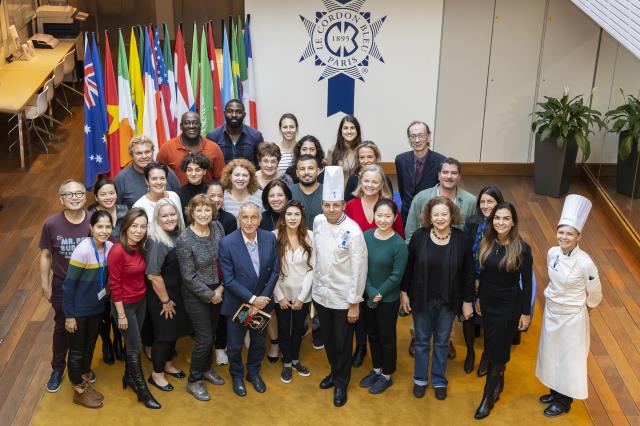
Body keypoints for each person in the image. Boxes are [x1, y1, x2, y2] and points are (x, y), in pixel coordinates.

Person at [400, 196, 474, 400]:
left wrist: (468, 301)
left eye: (444, 214)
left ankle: (439, 380)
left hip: (448, 301)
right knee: (422, 342)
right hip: (421, 298)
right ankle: (420, 380)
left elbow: (469, 273)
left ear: (452, 216)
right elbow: (410, 267)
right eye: (436, 214)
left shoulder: (461, 239)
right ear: (429, 217)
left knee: (442, 342)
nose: (440, 218)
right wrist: (404, 292)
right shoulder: (419, 236)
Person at [535, 195, 602, 418]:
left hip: (572, 317)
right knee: (551, 353)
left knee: (568, 359)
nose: (564, 237)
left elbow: (595, 294)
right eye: (561, 232)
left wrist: (586, 309)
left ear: (578, 236)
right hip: (552, 312)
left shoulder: (585, 263)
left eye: (569, 233)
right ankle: (554, 392)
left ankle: (564, 402)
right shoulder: (552, 253)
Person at [313, 166, 367, 407]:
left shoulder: (353, 231)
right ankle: (334, 373)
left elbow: (359, 269)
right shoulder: (318, 222)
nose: (331, 210)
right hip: (321, 294)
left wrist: (354, 303)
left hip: (344, 298)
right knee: (328, 339)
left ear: (344, 205)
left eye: (336, 205)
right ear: (322, 205)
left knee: (343, 342)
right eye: (327, 205)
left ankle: (342, 383)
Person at [473, 202, 532, 419]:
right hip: (487, 301)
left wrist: (526, 313)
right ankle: (500, 378)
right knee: (491, 343)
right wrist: (479, 299)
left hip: (509, 304)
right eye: (497, 218)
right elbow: (484, 275)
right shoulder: (487, 242)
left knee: (497, 348)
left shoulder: (522, 249)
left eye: (506, 218)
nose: (500, 222)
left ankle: (487, 397)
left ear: (513, 221)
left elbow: (527, 284)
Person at [219, 202, 280, 397]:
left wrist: (262, 299)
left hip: (261, 303)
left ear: (260, 219)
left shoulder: (269, 238)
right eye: (244, 217)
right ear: (238, 219)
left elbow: (275, 271)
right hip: (240, 305)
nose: (249, 221)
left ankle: (253, 373)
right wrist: (253, 300)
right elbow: (228, 280)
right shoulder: (228, 243)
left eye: (254, 217)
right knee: (235, 345)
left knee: (258, 343)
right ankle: (237, 375)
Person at [345, 164, 404, 367]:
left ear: (381, 185)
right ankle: (361, 347)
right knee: (360, 315)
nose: (370, 185)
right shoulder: (351, 205)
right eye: (366, 181)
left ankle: (383, 366)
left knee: (382, 327)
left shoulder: (388, 208)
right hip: (356, 271)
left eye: (375, 181)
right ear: (361, 182)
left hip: (383, 276)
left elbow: (400, 241)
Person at [40, 179, 92, 393]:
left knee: (88, 327)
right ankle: (58, 369)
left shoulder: (93, 220)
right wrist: (45, 284)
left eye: (79, 193)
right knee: (62, 327)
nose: (75, 197)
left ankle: (81, 367)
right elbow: (45, 255)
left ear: (85, 196)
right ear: (61, 199)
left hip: (89, 285)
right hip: (63, 285)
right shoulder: (51, 224)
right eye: (69, 194)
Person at [176, 194, 227, 401]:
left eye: (207, 209)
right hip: (197, 294)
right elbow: (188, 276)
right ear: (191, 212)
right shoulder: (184, 240)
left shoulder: (218, 228)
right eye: (199, 210)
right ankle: (194, 380)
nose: (204, 214)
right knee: (204, 339)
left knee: (212, 333)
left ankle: (206, 369)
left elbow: (225, 258)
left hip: (219, 289)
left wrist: (221, 289)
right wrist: (210, 294)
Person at [108, 208, 161, 409]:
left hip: (140, 301)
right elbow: (114, 285)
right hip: (124, 306)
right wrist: (121, 315)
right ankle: (142, 389)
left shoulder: (141, 246)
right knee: (134, 347)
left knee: (133, 343)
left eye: (143, 226)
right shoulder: (117, 251)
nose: (138, 230)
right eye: (134, 226)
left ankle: (128, 377)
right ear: (125, 227)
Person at [63, 210, 113, 408]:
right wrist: (69, 315)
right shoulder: (82, 250)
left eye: (108, 226)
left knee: (90, 345)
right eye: (99, 226)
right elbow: (69, 285)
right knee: (76, 351)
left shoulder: (110, 247)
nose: (104, 230)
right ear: (91, 228)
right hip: (78, 310)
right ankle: (78, 390)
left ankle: (84, 380)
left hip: (96, 308)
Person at [359, 199, 408, 394]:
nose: (383, 220)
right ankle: (376, 369)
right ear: (374, 215)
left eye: (388, 216)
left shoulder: (399, 244)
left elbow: (396, 276)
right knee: (372, 334)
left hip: (388, 299)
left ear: (395, 217)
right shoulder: (366, 236)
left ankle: (387, 375)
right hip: (367, 294)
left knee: (386, 337)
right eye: (379, 215)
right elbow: (362, 265)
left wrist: (378, 293)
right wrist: (370, 291)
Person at [145, 199, 190, 393]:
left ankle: (168, 364)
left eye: (173, 214)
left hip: (176, 294)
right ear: (157, 219)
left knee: (173, 333)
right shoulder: (156, 240)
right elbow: (153, 275)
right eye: (164, 216)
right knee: (163, 336)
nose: (170, 218)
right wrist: (165, 301)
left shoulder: (178, 234)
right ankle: (156, 374)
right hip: (162, 298)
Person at [462, 186, 504, 376]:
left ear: (498, 204)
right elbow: (466, 253)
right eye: (483, 202)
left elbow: (499, 260)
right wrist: (472, 279)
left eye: (491, 202)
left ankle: (487, 355)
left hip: (492, 280)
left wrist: (482, 280)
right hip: (470, 276)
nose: (486, 206)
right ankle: (470, 352)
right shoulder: (471, 223)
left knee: (488, 318)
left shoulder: (502, 227)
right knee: (467, 314)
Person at [273, 201, 315, 384]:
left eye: (296, 214)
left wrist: (301, 297)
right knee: (283, 329)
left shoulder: (310, 237)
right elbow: (271, 270)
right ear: (283, 218)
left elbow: (311, 269)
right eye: (289, 214)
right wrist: (280, 297)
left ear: (302, 217)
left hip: (302, 294)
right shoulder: (273, 237)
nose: (292, 218)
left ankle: (295, 359)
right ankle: (287, 363)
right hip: (280, 292)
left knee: (298, 329)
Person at [88, 179, 127, 365]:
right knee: (104, 310)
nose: (108, 197)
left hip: (122, 268)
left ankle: (118, 340)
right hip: (100, 270)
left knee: (120, 307)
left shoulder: (124, 211)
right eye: (103, 194)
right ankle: (106, 343)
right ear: (96, 197)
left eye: (111, 193)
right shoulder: (91, 215)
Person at [204, 180, 237, 366]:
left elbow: (230, 254)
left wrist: (223, 285)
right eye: (212, 196)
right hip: (202, 279)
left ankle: (220, 348)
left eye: (220, 196)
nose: (216, 199)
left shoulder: (229, 220)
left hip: (223, 277)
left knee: (223, 315)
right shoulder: (197, 217)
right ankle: (206, 349)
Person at [405, 158, 476, 242]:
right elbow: (410, 231)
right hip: (425, 251)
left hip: (457, 252)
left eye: (454, 173)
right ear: (438, 175)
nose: (449, 176)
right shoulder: (421, 198)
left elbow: (472, 233)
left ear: (459, 176)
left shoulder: (470, 201)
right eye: (445, 172)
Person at [395, 121, 446, 224]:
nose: (417, 140)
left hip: (431, 215)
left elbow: (441, 191)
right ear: (409, 139)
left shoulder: (441, 161)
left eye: (420, 135)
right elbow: (402, 188)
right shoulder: (400, 159)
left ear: (428, 136)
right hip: (407, 215)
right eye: (413, 136)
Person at [156, 111, 225, 185]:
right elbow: (158, 175)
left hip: (206, 195)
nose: (191, 126)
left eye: (195, 122)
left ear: (200, 126)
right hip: (177, 195)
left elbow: (220, 178)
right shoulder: (167, 148)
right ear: (181, 126)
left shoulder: (214, 148)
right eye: (187, 123)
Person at [115, 135, 181, 208]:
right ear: (131, 155)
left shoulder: (165, 171)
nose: (144, 156)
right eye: (139, 153)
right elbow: (117, 209)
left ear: (152, 152)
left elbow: (179, 198)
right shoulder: (122, 178)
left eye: (147, 152)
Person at [206, 99, 264, 165]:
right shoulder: (213, 136)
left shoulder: (256, 136)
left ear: (244, 115)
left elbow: (260, 163)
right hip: (221, 175)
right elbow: (209, 164)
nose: (234, 115)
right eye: (230, 111)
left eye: (238, 112)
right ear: (224, 113)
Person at [133, 162, 185, 230]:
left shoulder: (174, 196)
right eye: (154, 179)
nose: (159, 182)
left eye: (162, 178)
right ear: (147, 181)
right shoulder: (139, 206)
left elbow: (181, 226)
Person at [288, 155, 324, 230]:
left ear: (318, 171)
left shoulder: (327, 191)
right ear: (297, 173)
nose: (306, 172)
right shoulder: (288, 191)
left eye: (310, 168)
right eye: (302, 169)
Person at [177, 152, 211, 220]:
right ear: (185, 171)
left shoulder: (210, 191)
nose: (193, 174)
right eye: (189, 170)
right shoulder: (179, 194)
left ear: (204, 171)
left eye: (197, 170)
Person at [327, 115, 362, 179]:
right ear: (341, 131)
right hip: (338, 189)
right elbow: (329, 177)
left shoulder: (362, 150)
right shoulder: (332, 150)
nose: (349, 131)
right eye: (345, 128)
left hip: (359, 188)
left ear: (357, 131)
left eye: (352, 128)